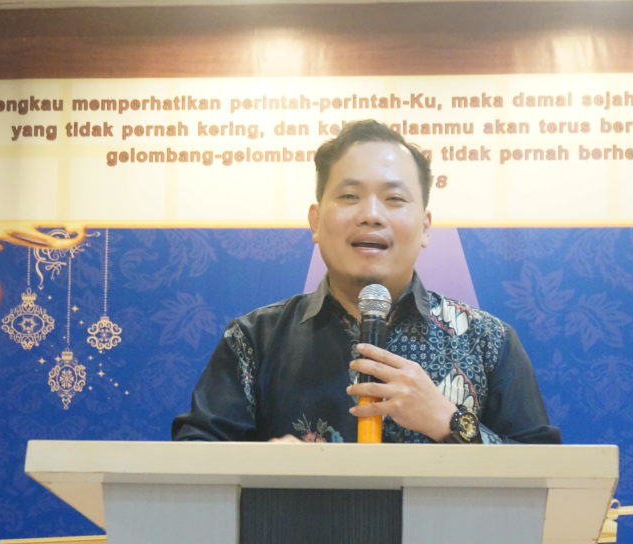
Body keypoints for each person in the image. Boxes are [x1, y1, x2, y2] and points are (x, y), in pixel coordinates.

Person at [172, 119, 559, 445]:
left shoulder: (489, 342)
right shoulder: (255, 340)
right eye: (349, 196)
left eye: (394, 199)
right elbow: (190, 467)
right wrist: (265, 468)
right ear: (315, 221)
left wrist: (451, 424)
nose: (371, 215)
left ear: (425, 227)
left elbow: (547, 479)